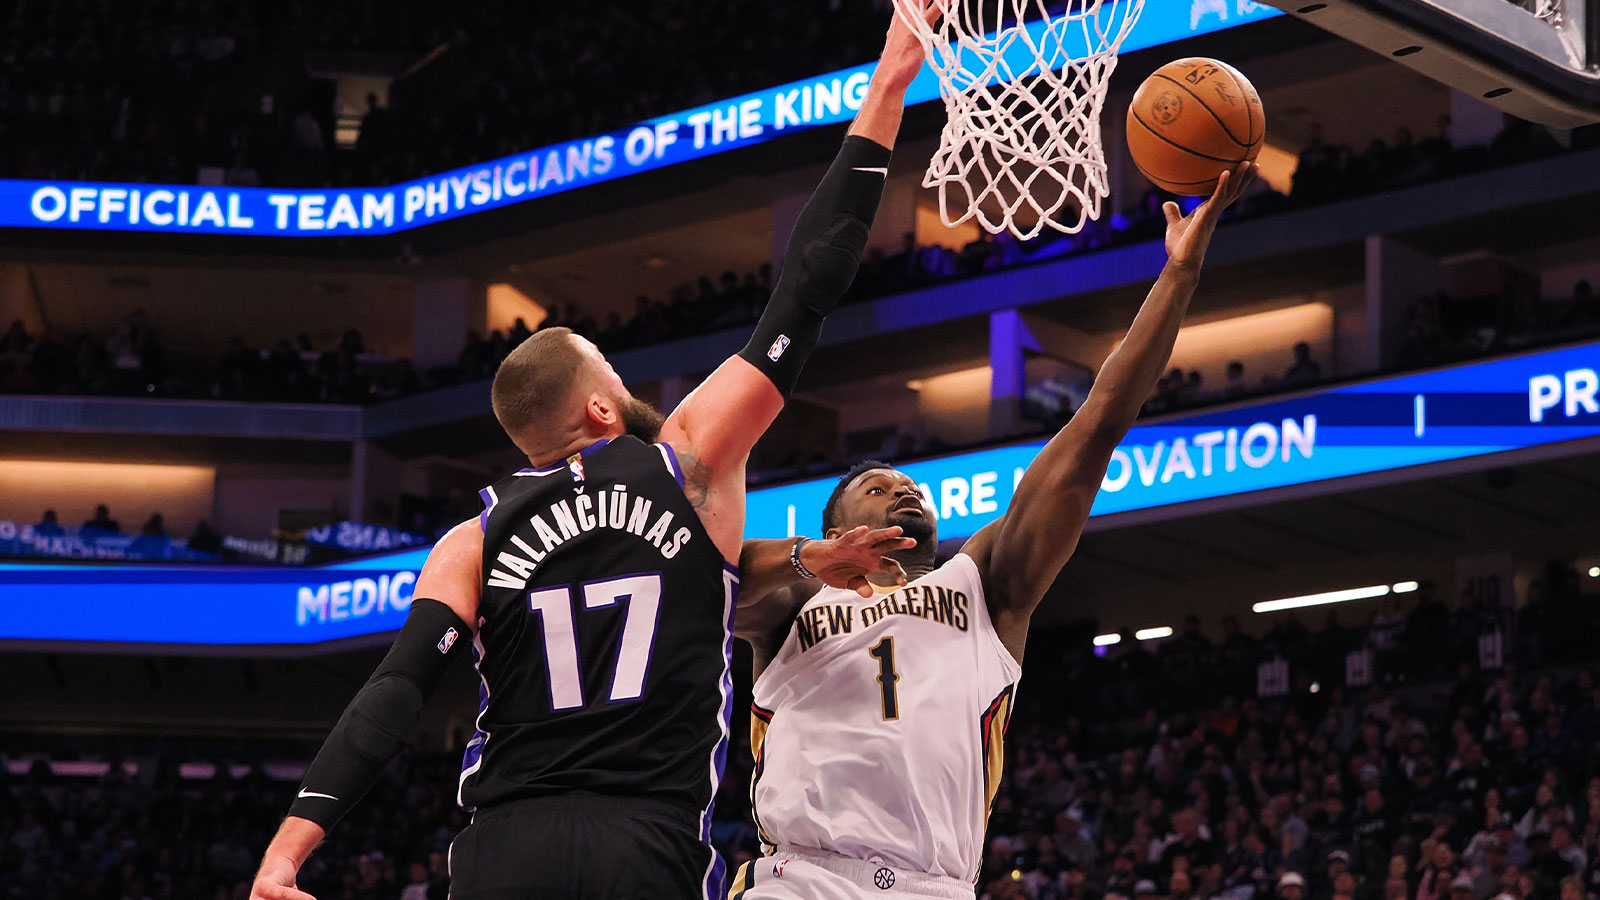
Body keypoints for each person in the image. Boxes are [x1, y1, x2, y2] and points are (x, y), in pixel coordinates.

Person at [247, 10, 931, 900]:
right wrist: (888, 84)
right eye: (613, 367)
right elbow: (806, 289)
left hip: (505, 847)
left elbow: (396, 691)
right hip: (644, 839)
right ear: (603, 405)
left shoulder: (472, 541)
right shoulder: (687, 459)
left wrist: (286, 851)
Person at [729, 162, 1257, 897]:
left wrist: (1180, 275)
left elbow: (1097, 425)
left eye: (911, 487)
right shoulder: (795, 603)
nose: (904, 491)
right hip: (804, 876)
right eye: (878, 489)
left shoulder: (984, 585)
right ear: (835, 524)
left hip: (936, 885)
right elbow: (705, 573)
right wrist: (806, 559)